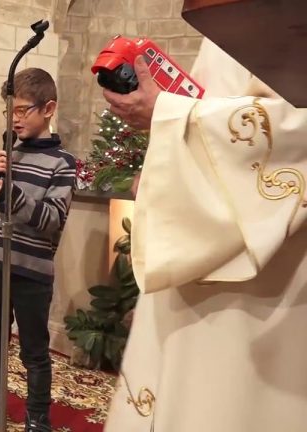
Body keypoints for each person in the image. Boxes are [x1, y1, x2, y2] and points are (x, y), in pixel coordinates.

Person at [102, 39, 307, 431]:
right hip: (196, 242)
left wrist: (169, 114)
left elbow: (294, 127)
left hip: (267, 276)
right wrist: (166, 163)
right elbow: (207, 103)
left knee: (229, 403)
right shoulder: (223, 24)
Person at [0, 68, 76, 432]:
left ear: (49, 109)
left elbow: (51, 220)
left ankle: (38, 416)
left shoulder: (62, 164)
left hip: (31, 271)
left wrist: (8, 191)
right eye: (10, 111)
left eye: (23, 110)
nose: (15, 118)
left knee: (34, 350)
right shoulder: (7, 154)